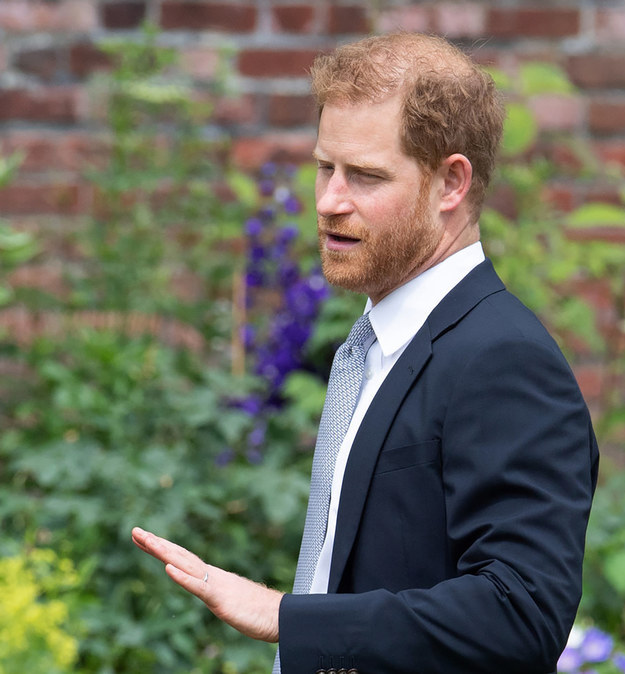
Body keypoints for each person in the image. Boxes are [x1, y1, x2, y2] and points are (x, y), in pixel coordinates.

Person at [133, 33, 598, 673]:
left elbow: (522, 613)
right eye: (326, 167)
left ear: (451, 184)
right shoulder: (375, 343)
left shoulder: (503, 359)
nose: (329, 201)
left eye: (366, 176)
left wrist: (284, 616)